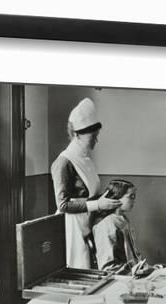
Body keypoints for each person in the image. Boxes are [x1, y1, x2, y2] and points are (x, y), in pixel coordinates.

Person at [51, 98, 122, 268]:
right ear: (76, 135)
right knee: (78, 267)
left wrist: (107, 199)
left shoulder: (86, 160)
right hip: (72, 227)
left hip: (88, 221)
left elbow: (89, 196)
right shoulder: (63, 162)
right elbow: (63, 204)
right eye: (92, 136)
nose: (96, 141)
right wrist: (98, 204)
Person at [91, 179, 146, 274]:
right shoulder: (106, 225)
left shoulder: (122, 219)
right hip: (120, 277)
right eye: (131, 197)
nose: (134, 200)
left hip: (134, 272)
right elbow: (108, 267)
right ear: (117, 198)